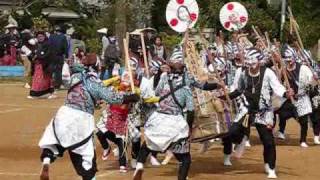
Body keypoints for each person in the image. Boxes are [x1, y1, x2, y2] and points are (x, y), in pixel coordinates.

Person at [38, 53, 140, 180]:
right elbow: (111, 97)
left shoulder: (76, 76)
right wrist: (130, 97)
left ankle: (47, 161)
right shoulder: (94, 81)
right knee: (85, 154)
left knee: (54, 141)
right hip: (81, 117)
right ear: (97, 65)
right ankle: (89, 176)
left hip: (64, 112)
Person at [133, 46, 221, 180]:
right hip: (175, 122)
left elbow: (156, 93)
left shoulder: (163, 77)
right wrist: (217, 85)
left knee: (148, 145)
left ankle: (139, 165)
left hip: (158, 118)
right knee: (185, 158)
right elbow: (194, 105)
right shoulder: (187, 85)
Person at [221, 48, 293, 179]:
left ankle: (270, 167)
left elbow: (278, 87)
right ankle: (228, 153)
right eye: (248, 60)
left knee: (268, 142)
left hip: (263, 112)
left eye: (253, 60)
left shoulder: (268, 73)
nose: (251, 63)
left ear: (259, 61)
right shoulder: (242, 72)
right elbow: (238, 90)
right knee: (231, 133)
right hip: (246, 109)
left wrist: (286, 93)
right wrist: (224, 97)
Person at [276, 45, 315, 147]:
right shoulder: (284, 69)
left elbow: (312, 81)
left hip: (301, 99)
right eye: (287, 59)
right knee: (280, 113)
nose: (288, 61)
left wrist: (313, 80)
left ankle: (302, 140)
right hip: (289, 99)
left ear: (294, 58)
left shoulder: (303, 68)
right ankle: (280, 131)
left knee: (303, 121)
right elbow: (279, 82)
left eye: (290, 59)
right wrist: (280, 73)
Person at [28, 31, 55, 99]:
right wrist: (32, 56)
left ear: (44, 37)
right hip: (37, 65)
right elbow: (32, 54)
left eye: (41, 36)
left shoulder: (48, 44)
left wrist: (38, 56)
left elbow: (48, 54)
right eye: (38, 37)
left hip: (46, 64)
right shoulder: (36, 45)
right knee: (37, 79)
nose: (40, 38)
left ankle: (49, 93)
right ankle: (36, 94)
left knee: (47, 80)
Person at [48, 25, 68, 90]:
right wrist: (66, 56)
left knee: (51, 70)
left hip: (51, 56)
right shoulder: (63, 37)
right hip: (59, 56)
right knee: (58, 71)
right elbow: (65, 47)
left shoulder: (51, 36)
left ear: (54, 30)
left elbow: (48, 45)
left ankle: (49, 84)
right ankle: (57, 85)